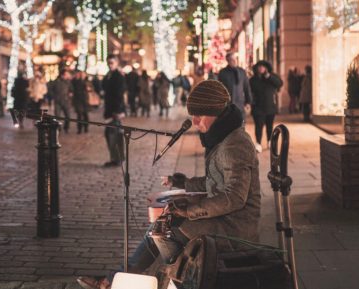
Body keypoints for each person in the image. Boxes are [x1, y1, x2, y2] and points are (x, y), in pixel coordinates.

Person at [77, 80, 261, 289]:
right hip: (224, 218)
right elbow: (215, 182)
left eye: (200, 115)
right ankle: (114, 280)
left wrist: (190, 211)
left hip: (235, 225)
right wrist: (182, 183)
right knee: (159, 227)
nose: (194, 120)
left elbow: (234, 198)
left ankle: (185, 281)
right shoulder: (222, 138)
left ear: (216, 113)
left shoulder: (234, 144)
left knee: (165, 235)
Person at [249, 60, 283, 153]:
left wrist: (269, 77)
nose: (261, 69)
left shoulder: (272, 77)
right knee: (258, 126)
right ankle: (258, 143)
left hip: (270, 106)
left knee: (269, 126)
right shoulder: (253, 79)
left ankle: (269, 141)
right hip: (258, 107)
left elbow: (280, 83)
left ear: (266, 68)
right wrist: (250, 102)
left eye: (263, 67)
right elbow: (249, 90)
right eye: (259, 67)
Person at [102, 54, 126, 167]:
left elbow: (120, 95)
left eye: (112, 62)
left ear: (116, 63)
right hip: (110, 110)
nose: (109, 65)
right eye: (108, 62)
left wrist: (119, 111)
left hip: (115, 111)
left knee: (113, 134)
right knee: (112, 134)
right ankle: (117, 158)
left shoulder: (118, 76)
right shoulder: (109, 75)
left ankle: (117, 159)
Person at [218, 52, 252, 119]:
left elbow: (246, 87)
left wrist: (248, 101)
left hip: (240, 103)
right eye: (231, 59)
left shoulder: (242, 71)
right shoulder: (223, 72)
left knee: (240, 124)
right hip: (227, 104)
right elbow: (219, 88)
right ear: (228, 61)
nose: (234, 61)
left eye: (235, 59)